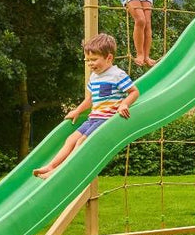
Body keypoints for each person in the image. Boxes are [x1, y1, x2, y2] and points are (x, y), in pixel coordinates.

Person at [33, 33, 139, 177]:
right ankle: (51, 166)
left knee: (81, 142)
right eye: (87, 60)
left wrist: (124, 104)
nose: (90, 64)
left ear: (109, 58)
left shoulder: (117, 75)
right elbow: (90, 100)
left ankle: (59, 172)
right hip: (93, 118)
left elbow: (134, 92)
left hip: (106, 119)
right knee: (71, 139)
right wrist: (77, 111)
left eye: (94, 59)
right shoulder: (94, 76)